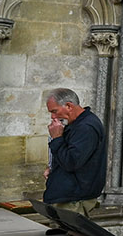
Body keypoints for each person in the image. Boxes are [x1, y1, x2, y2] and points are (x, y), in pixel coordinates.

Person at [43, 87, 105, 216]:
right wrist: (54, 168)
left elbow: (72, 161)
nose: (53, 117)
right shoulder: (74, 124)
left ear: (69, 106)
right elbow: (67, 155)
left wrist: (57, 138)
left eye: (55, 111)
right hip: (65, 196)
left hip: (74, 199)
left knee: (70, 235)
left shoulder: (86, 127)